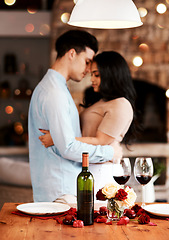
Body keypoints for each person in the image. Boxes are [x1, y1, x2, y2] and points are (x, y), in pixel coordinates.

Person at [28, 30, 122, 202]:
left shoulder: (55, 88)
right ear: (72, 53)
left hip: (60, 187)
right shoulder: (54, 92)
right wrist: (110, 152)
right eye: (87, 62)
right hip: (61, 191)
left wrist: (58, 138)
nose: (88, 70)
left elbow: (64, 141)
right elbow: (68, 147)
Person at [39, 51, 138, 195]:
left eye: (96, 75)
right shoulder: (101, 101)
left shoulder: (120, 104)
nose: (91, 79)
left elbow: (101, 140)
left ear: (112, 74)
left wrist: (57, 139)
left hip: (101, 170)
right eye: (91, 74)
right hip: (86, 165)